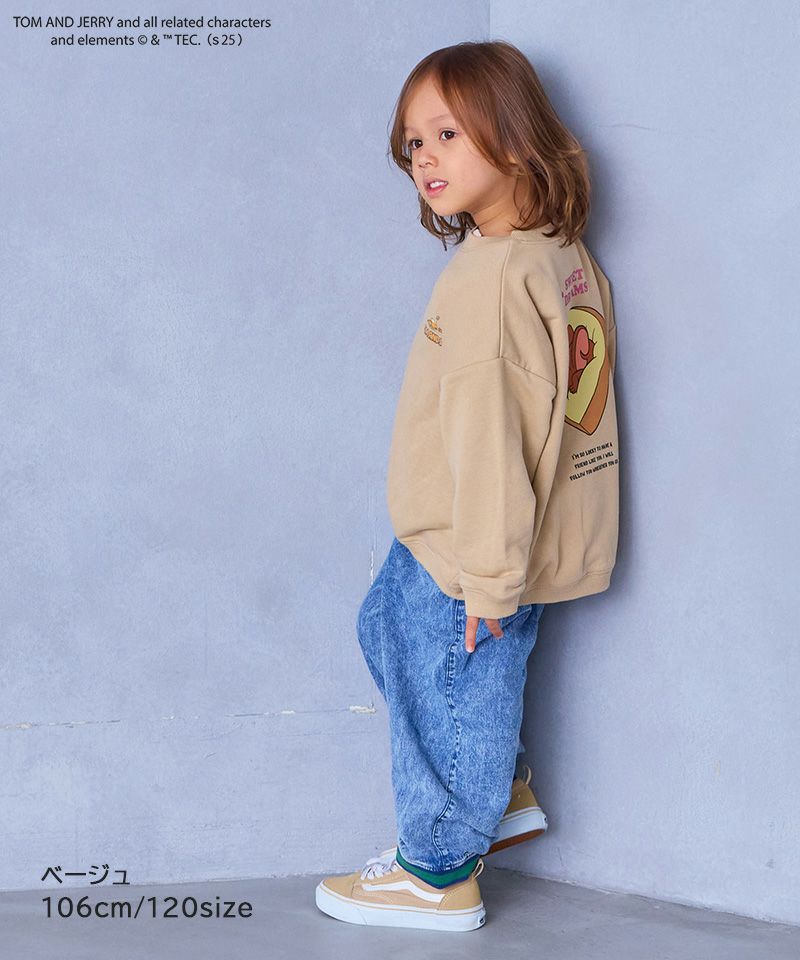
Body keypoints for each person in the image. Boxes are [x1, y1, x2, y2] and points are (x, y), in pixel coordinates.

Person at [315, 38, 620, 932]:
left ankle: (438, 868)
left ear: (516, 137)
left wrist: (489, 577)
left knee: (448, 669)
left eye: (448, 133)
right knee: (393, 629)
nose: (425, 157)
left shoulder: (491, 278)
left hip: (473, 540)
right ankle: (498, 782)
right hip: (489, 530)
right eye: (415, 141)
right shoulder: (558, 253)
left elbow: (493, 438)